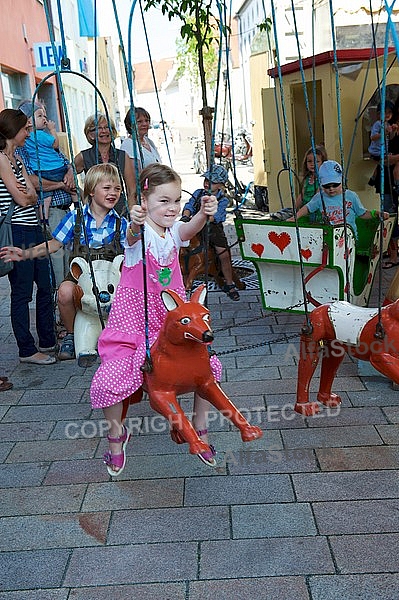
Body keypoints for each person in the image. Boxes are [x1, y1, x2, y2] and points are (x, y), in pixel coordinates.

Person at [90, 163, 220, 476]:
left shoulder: (174, 230)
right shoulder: (139, 232)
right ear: (144, 201)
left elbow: (189, 229)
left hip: (171, 321)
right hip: (133, 323)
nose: (172, 207)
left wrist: (205, 212)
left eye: (176, 200)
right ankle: (116, 438)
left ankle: (200, 429)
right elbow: (132, 237)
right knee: (110, 380)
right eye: (164, 201)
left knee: (211, 367)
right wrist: (135, 223)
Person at [0, 163, 128, 366]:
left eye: (117, 189)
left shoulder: (120, 222)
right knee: (65, 291)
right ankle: (70, 334)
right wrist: (25, 253)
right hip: (80, 274)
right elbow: (54, 244)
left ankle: (118, 331)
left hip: (109, 276)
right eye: (107, 188)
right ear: (92, 191)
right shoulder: (75, 218)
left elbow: (131, 250)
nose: (113, 193)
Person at [0, 108, 56, 365]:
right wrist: (28, 195)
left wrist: (29, 194)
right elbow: (24, 197)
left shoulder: (18, 159)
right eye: (26, 129)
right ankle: (27, 350)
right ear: (13, 130)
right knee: (22, 292)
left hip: (34, 227)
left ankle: (48, 339)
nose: (29, 133)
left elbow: (32, 193)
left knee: (46, 284)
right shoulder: (1, 159)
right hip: (17, 230)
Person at [181, 164, 240, 301]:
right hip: (194, 225)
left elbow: (218, 217)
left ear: (220, 185)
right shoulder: (198, 193)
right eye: (206, 180)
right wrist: (186, 214)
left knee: (223, 253)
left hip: (212, 228)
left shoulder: (222, 199)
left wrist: (205, 216)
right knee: (179, 245)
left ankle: (229, 283)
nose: (207, 183)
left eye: (212, 182)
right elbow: (189, 205)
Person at [291, 160, 390, 238]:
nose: (331, 189)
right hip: (329, 237)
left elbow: (362, 213)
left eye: (335, 185)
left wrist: (375, 213)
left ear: (341, 181)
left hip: (349, 238)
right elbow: (308, 208)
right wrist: (295, 217)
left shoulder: (351, 196)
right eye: (326, 186)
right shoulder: (320, 197)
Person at [18, 101, 76, 230]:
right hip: (52, 213)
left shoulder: (45, 138)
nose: (45, 119)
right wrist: (62, 185)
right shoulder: (22, 147)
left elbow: (67, 163)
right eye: (40, 116)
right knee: (57, 249)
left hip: (68, 211)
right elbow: (33, 181)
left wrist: (70, 172)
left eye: (45, 115)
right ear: (28, 121)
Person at [74, 113, 135, 216]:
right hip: (95, 212)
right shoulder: (83, 156)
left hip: (120, 211)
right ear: (91, 134)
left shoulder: (123, 156)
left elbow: (132, 189)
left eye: (107, 127)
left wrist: (130, 212)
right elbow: (68, 178)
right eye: (99, 128)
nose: (104, 131)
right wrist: (83, 195)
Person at [368, 100, 399, 190]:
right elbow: (372, 137)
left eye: (389, 112)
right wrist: (384, 133)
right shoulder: (377, 124)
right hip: (377, 151)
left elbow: (391, 137)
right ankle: (396, 184)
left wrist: (393, 130)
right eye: (384, 112)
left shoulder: (387, 124)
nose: (387, 115)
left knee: (381, 164)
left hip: (383, 150)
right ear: (379, 114)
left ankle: (373, 179)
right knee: (384, 163)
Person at [295, 145, 328, 222]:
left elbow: (316, 198)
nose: (312, 164)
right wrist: (294, 209)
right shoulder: (307, 179)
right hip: (305, 211)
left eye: (317, 161)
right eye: (309, 161)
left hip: (316, 211)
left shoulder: (322, 179)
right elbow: (301, 195)